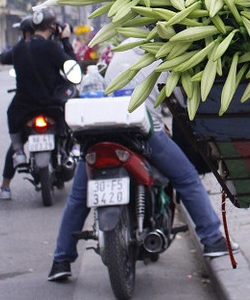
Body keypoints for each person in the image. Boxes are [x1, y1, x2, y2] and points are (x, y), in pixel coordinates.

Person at [47, 44, 239, 281]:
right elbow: (181, 102)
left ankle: (61, 260)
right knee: (187, 178)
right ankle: (212, 240)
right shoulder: (166, 58)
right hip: (143, 133)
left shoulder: (118, 55)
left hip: (100, 134)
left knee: (78, 197)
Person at [0, 8, 77, 200]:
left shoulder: (20, 48)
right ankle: (76, 147)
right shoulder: (53, 48)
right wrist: (65, 41)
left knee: (16, 137)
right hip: (52, 106)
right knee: (73, 108)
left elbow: (4, 57)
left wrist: (1, 56)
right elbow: (73, 67)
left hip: (24, 107)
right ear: (53, 27)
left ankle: (7, 182)